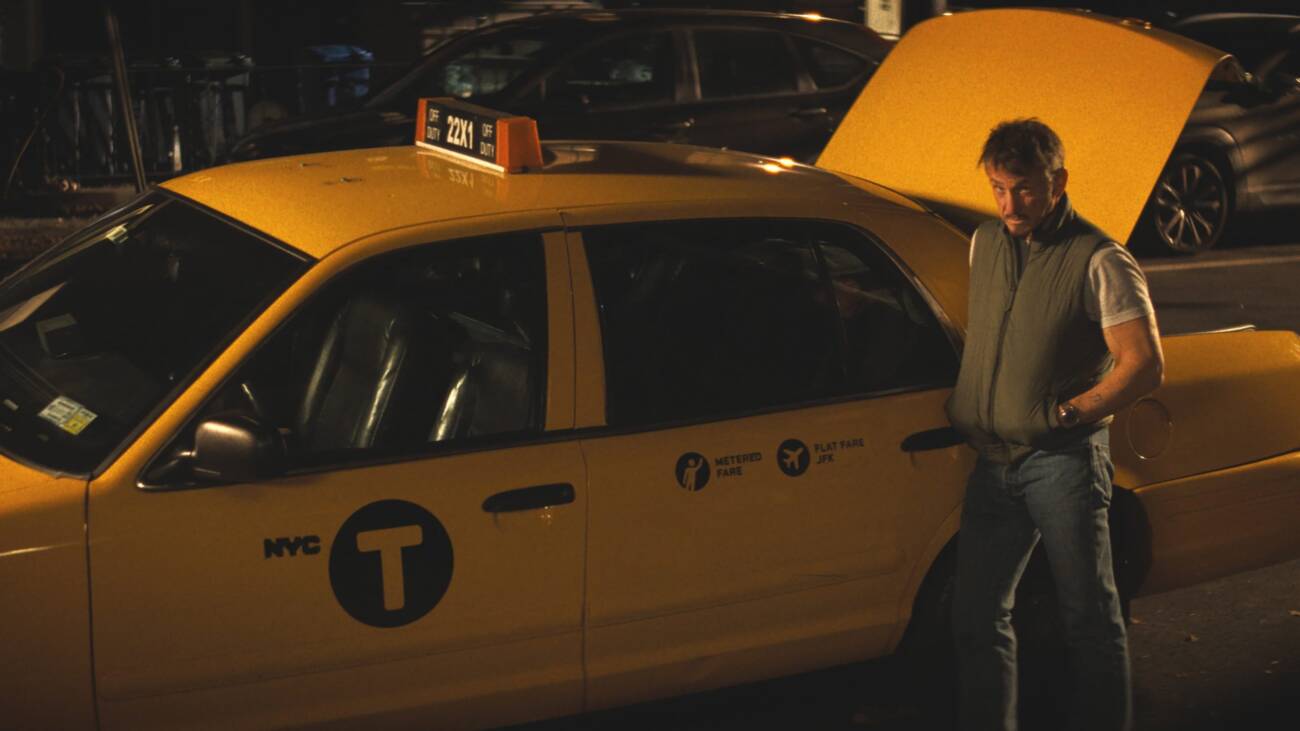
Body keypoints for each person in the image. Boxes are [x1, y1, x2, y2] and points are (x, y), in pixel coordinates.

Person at [944, 118, 1164, 731]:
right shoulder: (984, 242)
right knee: (975, 616)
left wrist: (1066, 414)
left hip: (1062, 463)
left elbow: (1144, 366)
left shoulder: (1100, 258)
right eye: (998, 188)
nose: (1010, 204)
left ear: (1058, 181)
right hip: (994, 463)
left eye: (1023, 189)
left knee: (1089, 619)